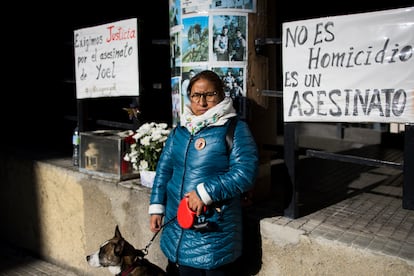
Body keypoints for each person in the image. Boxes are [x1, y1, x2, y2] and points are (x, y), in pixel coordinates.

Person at [149, 70, 259, 275]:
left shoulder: (235, 128)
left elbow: (246, 172)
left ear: (221, 95)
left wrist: (205, 192)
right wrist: (156, 207)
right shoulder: (181, 130)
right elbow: (164, 170)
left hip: (213, 230)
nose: (202, 102)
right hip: (177, 226)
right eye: (196, 95)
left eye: (210, 95)